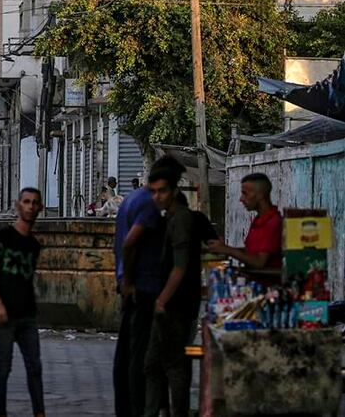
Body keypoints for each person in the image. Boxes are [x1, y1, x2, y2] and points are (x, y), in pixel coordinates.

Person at [113, 156, 184, 417]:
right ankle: (138, 408)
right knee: (142, 356)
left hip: (130, 282)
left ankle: (128, 407)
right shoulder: (151, 205)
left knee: (128, 353)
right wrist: (131, 283)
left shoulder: (132, 199)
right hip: (144, 286)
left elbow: (121, 242)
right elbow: (130, 243)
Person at [143, 162, 203, 417]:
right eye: (153, 192)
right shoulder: (171, 218)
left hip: (176, 305)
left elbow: (179, 267)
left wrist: (161, 301)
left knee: (173, 365)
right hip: (173, 304)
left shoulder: (181, 220)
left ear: (174, 190)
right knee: (155, 364)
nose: (157, 197)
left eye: (162, 191)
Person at [0, 187, 46, 417]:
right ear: (18, 205)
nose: (30, 206)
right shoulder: (4, 237)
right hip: (4, 314)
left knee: (35, 366)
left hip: (27, 315)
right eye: (26, 202)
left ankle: (39, 412)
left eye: (34, 203)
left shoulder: (33, 245)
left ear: (39, 208)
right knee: (3, 367)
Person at [207, 172, 282, 271]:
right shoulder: (258, 220)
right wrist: (223, 248)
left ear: (260, 195)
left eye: (245, 193)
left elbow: (259, 262)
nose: (241, 199)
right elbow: (251, 253)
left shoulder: (273, 223)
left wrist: (228, 250)